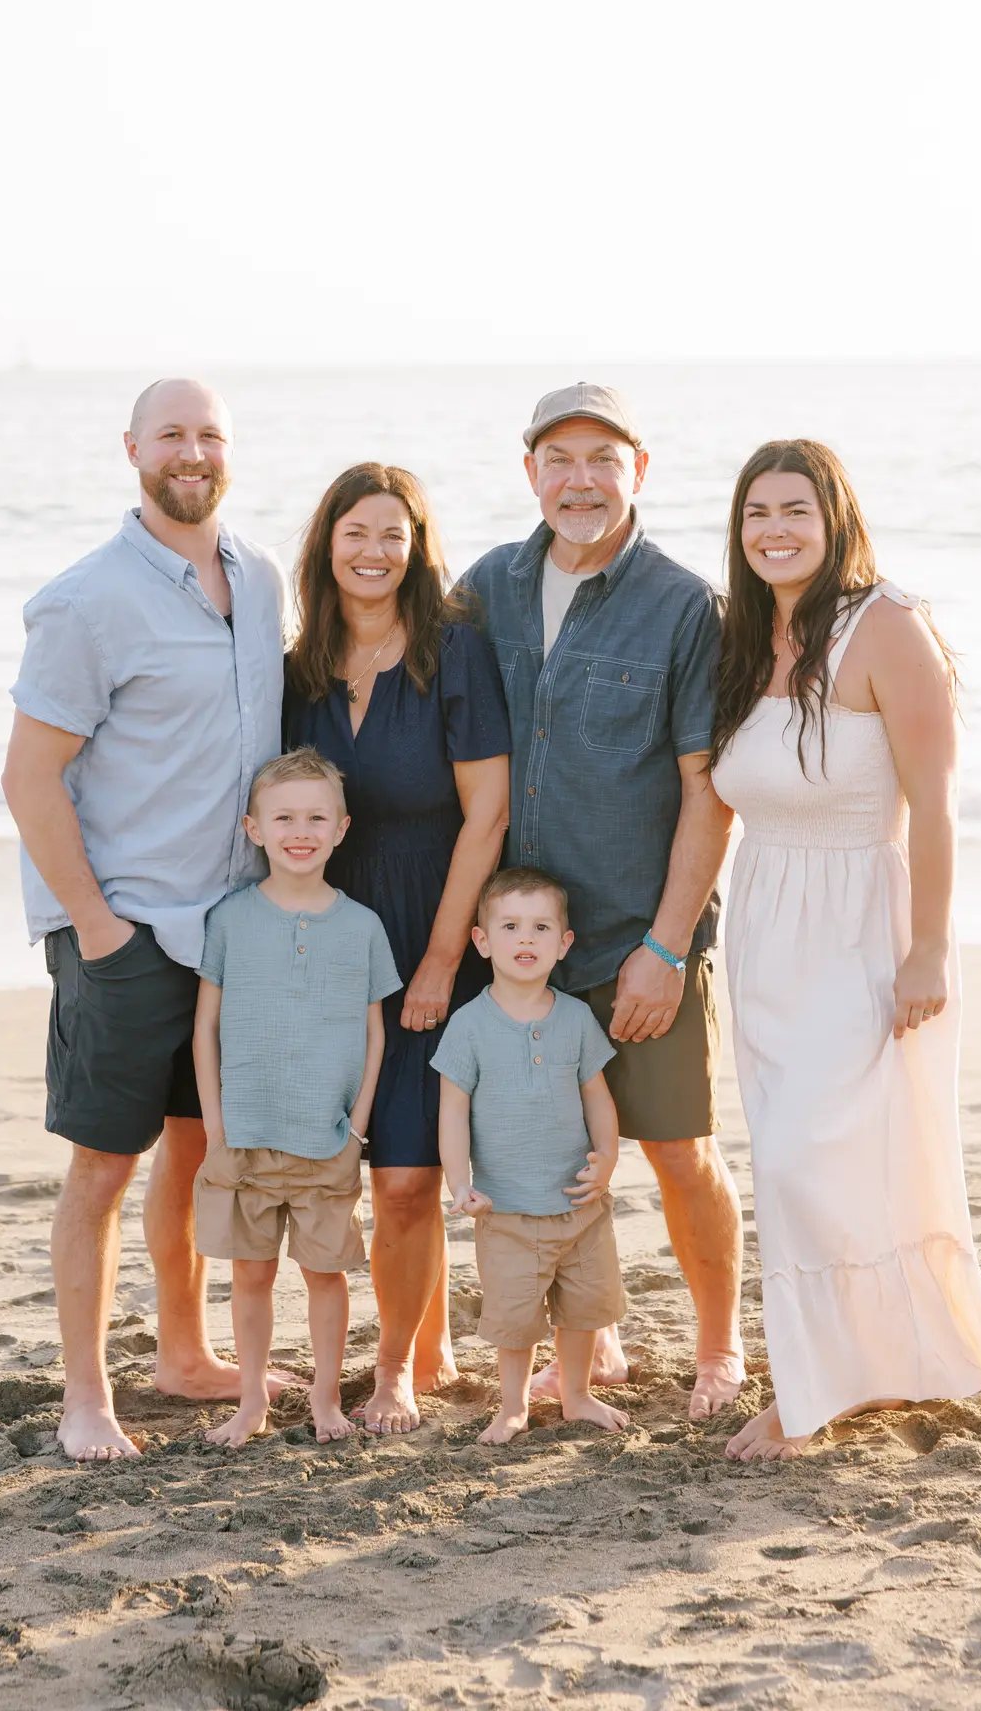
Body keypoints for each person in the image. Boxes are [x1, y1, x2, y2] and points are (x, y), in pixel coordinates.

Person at [708, 439, 981, 1461]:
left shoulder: (886, 624)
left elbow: (934, 804)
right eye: (755, 511)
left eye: (794, 510)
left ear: (834, 518)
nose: (773, 528)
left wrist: (929, 948)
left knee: (819, 1155)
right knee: (795, 1159)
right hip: (763, 926)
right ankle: (848, 1368)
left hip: (860, 922)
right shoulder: (745, 638)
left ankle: (809, 1394)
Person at [1, 379, 286, 1462]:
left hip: (227, 929)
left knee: (196, 1144)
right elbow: (30, 777)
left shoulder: (258, 579)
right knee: (102, 1165)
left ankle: (182, 1349)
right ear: (131, 449)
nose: (192, 450)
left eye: (210, 432)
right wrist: (97, 925)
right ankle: (85, 1395)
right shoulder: (86, 600)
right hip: (122, 927)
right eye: (171, 432)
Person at [461, 383, 746, 1419]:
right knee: (546, 1154)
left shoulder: (681, 605)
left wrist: (665, 947)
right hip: (521, 948)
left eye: (601, 458)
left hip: (633, 935)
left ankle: (719, 1347)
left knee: (674, 1148)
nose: (579, 479)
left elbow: (707, 793)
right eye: (558, 458)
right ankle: (596, 1338)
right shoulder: (484, 586)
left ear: (637, 469)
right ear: (528, 469)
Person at [283, 463, 511, 1434]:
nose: (373, 552)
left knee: (410, 1174)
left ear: (416, 548)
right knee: (344, 1166)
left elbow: (487, 810)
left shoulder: (451, 653)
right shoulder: (300, 669)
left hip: (432, 924)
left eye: (393, 534)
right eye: (355, 532)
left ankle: (396, 1374)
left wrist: (440, 956)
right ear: (325, 542)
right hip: (330, 940)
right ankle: (420, 1331)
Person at [191, 748, 401, 1448]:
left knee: (324, 1274)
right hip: (245, 1134)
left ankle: (327, 1400)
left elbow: (375, 1036)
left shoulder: (362, 926)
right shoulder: (229, 920)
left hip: (326, 1135)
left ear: (342, 828)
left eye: (316, 817)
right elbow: (205, 1029)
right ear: (254, 828)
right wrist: (217, 1129)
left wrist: (357, 1128)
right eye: (284, 817)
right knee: (249, 1275)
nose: (300, 831)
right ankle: (251, 1400)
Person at [435, 868, 629, 1445]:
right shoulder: (469, 1025)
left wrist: (608, 1159)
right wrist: (458, 1183)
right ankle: (513, 1406)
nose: (526, 939)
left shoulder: (574, 1018)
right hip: (509, 1210)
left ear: (563, 943)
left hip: (578, 1202)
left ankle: (576, 1396)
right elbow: (452, 1111)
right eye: (511, 926)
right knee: (515, 1318)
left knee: (582, 1309)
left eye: (541, 927)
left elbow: (597, 1095)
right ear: (483, 941)